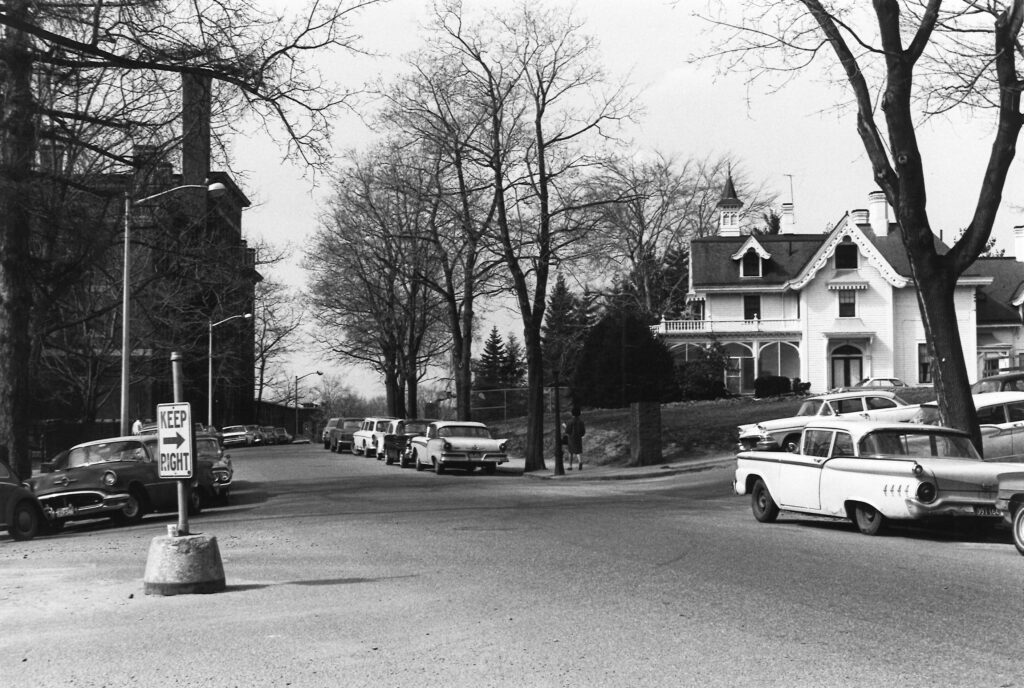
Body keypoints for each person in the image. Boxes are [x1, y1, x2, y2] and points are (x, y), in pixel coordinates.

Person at [564, 406, 586, 471]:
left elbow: (567, 431)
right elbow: (583, 431)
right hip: (578, 437)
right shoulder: (581, 421)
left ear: (572, 413)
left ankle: (570, 466)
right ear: (579, 413)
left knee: (570, 452)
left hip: (571, 438)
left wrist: (564, 426)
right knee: (578, 451)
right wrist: (581, 435)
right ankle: (580, 462)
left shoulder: (570, 421)